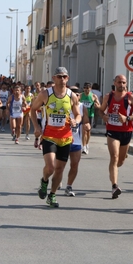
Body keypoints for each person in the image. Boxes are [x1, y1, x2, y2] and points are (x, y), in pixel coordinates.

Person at [31, 67, 82, 208]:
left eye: (64, 77)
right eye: (59, 76)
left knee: (59, 169)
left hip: (66, 137)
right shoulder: (45, 94)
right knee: (51, 167)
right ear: (54, 78)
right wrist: (36, 127)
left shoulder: (72, 95)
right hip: (49, 136)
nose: (62, 79)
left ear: (68, 78)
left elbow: (78, 114)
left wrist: (75, 121)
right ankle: (44, 180)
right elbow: (32, 109)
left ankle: (52, 195)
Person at [98, 74, 133, 199]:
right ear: (114, 83)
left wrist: (127, 118)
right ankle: (114, 186)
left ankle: (118, 162)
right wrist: (103, 116)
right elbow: (101, 110)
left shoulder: (130, 97)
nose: (121, 85)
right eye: (119, 82)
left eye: (123, 83)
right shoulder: (108, 96)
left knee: (120, 161)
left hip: (126, 131)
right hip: (112, 130)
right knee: (114, 157)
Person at [64, 86, 91, 197]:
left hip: (76, 141)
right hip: (62, 140)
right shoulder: (63, 105)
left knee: (74, 165)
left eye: (77, 94)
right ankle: (57, 179)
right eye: (73, 93)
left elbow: (86, 121)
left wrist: (87, 125)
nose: (75, 95)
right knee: (59, 166)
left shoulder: (82, 107)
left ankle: (69, 186)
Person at [80, 82, 100, 154]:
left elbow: (99, 105)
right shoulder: (80, 96)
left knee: (88, 131)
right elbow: (75, 103)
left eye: (88, 89)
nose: (86, 90)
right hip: (82, 115)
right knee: (83, 131)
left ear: (90, 89)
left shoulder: (93, 96)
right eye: (85, 88)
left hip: (90, 115)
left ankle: (87, 144)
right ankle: (84, 147)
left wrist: (96, 105)